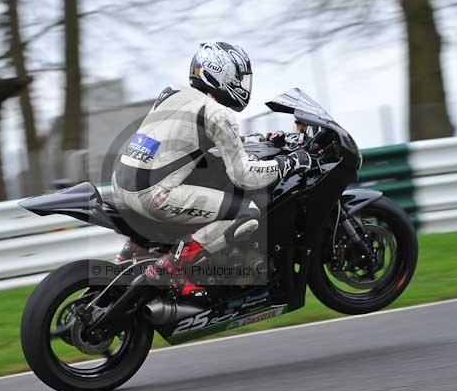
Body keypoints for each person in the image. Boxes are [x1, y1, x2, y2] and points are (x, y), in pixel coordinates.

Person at [112, 42, 312, 297]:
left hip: (121, 183)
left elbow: (185, 140)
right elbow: (244, 176)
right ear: (220, 74)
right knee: (247, 213)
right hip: (153, 195)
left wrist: (247, 142)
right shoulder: (218, 113)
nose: (242, 85)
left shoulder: (172, 92)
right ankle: (174, 269)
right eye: (239, 78)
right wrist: (289, 163)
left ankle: (133, 251)